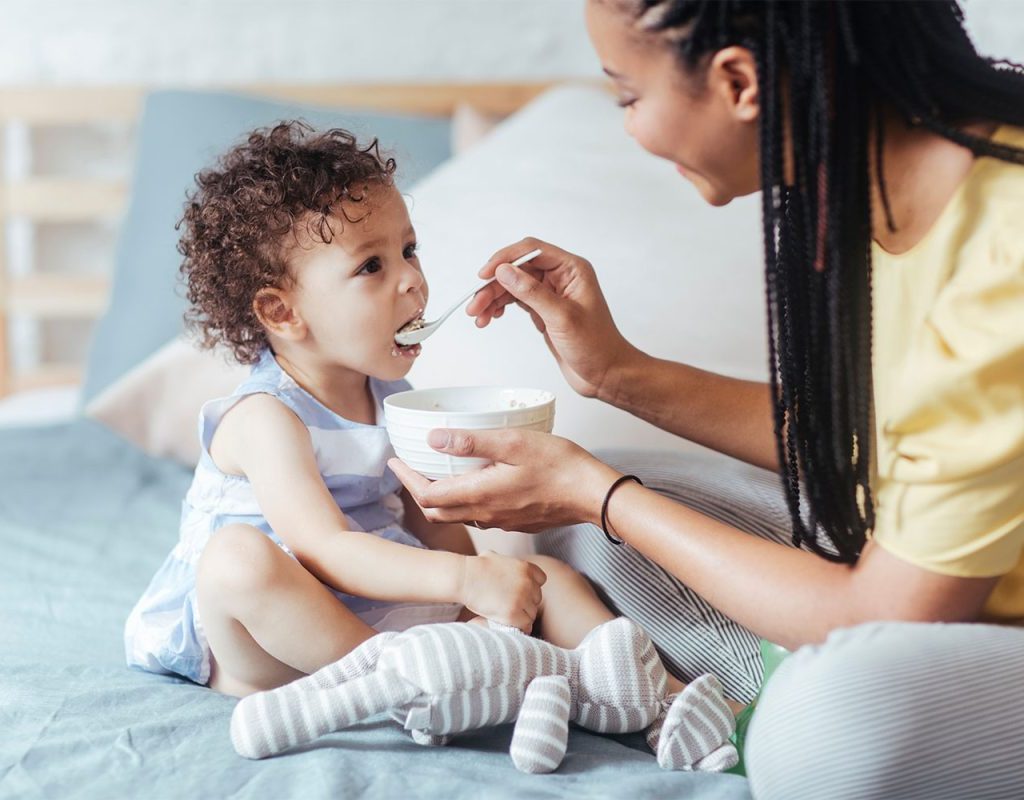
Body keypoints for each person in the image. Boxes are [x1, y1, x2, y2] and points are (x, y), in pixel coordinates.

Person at [387, 2, 1024, 797]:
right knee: (577, 533)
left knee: (824, 726)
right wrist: (614, 374)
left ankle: (770, 690)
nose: (628, 126)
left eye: (627, 95)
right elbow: (875, 442)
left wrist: (600, 495)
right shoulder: (878, 182)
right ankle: (765, 663)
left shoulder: (1003, 256)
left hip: (930, 608)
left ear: (738, 82)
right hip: (936, 571)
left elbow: (887, 616)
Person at [121, 122, 693, 728]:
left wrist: (484, 594)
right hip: (275, 641)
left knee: (545, 577)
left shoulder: (395, 401)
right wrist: (464, 579)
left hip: (379, 615)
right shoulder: (266, 417)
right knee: (236, 561)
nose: (413, 279)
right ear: (282, 312)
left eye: (409, 250)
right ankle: (410, 685)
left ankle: (666, 701)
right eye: (371, 265)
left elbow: (432, 522)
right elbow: (326, 548)